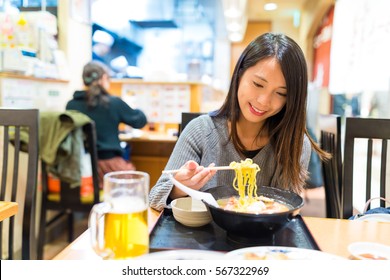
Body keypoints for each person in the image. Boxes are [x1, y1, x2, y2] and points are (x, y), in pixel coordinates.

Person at [149, 32, 330, 211]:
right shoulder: (201, 131)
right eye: (258, 84)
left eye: (281, 93)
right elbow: (155, 198)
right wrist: (179, 187)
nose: (263, 101)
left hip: (264, 238)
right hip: (205, 237)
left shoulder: (294, 144)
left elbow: (289, 210)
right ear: (239, 75)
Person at [66, 60, 147, 187]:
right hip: (110, 167)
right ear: (104, 78)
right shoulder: (113, 102)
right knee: (135, 182)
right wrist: (132, 106)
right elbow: (140, 121)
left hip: (81, 169)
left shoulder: (71, 105)